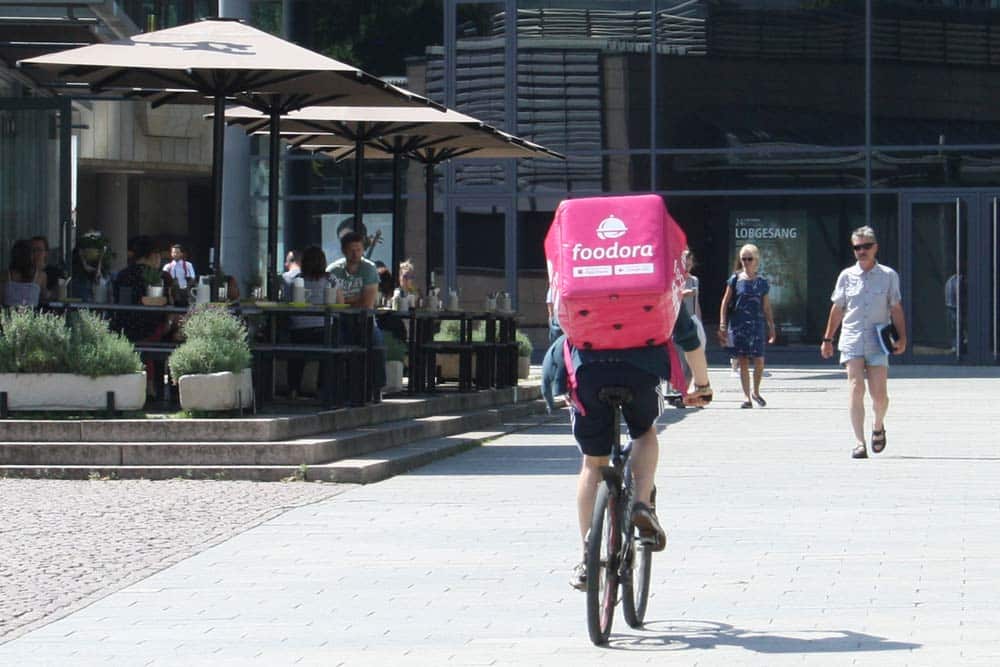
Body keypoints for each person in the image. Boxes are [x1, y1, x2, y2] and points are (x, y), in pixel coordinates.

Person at [543, 303, 714, 591]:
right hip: (642, 367)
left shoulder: (580, 264)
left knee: (592, 461)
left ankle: (589, 560)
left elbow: (558, 329)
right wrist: (703, 385)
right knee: (644, 431)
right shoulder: (651, 269)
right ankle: (641, 504)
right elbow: (687, 335)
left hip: (588, 369)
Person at [820, 226, 908, 459]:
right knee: (855, 387)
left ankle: (878, 425)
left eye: (866, 246)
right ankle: (859, 442)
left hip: (878, 340)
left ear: (875, 247)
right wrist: (828, 338)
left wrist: (902, 337)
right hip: (852, 338)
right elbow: (837, 308)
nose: (861, 251)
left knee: (880, 396)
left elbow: (896, 308)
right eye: (857, 247)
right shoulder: (846, 276)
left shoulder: (889, 275)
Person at [718, 243, 776, 408]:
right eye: (743, 259)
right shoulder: (735, 279)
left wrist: (771, 326)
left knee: (759, 361)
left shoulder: (762, 282)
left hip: (757, 325)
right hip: (739, 324)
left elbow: (766, 306)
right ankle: (746, 398)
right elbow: (725, 302)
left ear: (756, 260)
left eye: (749, 259)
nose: (746, 262)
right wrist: (722, 324)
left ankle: (755, 391)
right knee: (742, 360)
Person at [285, 245, 330, 398]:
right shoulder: (330, 279)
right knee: (331, 350)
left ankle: (293, 388)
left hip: (297, 330)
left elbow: (287, 302)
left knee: (296, 355)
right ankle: (322, 388)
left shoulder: (294, 280)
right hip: (322, 329)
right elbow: (340, 301)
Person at [327, 232, 379, 309]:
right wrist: (357, 298)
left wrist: (343, 301)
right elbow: (330, 303)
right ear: (343, 251)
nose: (355, 254)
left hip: (363, 319)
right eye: (351, 250)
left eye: (358, 250)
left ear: (363, 250)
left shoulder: (370, 268)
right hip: (338, 318)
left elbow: (367, 304)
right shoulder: (333, 271)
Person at [3, 239, 42, 307]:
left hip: (9, 316)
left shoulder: (5, 275)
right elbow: (45, 295)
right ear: (30, 255)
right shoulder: (41, 276)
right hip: (30, 316)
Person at [29, 236, 62, 302]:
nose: (36, 253)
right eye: (33, 250)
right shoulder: (24, 272)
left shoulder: (55, 272)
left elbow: (59, 294)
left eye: (39, 250)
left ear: (46, 253)